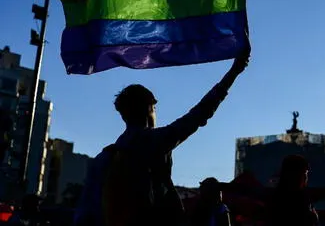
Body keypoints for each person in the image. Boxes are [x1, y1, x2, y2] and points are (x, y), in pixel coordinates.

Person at [74, 49, 250, 226]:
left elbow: (85, 212)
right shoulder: (155, 141)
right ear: (149, 109)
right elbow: (199, 114)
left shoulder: (104, 158)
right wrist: (234, 71)